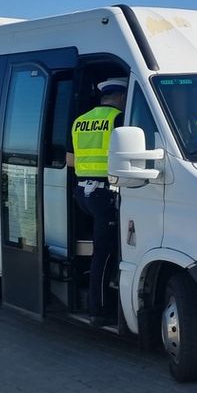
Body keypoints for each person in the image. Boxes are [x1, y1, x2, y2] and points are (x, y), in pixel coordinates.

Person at [70, 77, 127, 327]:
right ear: (122, 97)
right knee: (104, 254)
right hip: (106, 193)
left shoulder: (80, 121)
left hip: (83, 192)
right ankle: (99, 310)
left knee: (101, 250)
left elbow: (70, 159)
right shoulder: (117, 120)